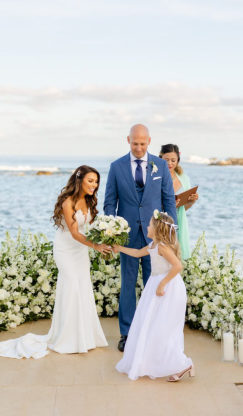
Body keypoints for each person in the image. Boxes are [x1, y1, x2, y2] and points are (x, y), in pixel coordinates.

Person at [0, 166, 109, 358]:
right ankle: (67, 338)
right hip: (65, 250)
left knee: (83, 288)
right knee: (71, 287)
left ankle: (85, 337)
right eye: (90, 181)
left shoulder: (89, 201)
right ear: (79, 180)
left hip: (80, 251)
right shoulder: (67, 201)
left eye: (96, 181)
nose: (94, 185)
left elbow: (93, 228)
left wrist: (108, 236)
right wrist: (95, 246)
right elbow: (74, 232)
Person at [104, 125, 177, 352]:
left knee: (153, 281)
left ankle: (152, 331)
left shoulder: (161, 165)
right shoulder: (116, 167)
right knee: (127, 284)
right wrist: (111, 230)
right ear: (128, 140)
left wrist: (170, 234)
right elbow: (109, 202)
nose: (138, 148)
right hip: (126, 237)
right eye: (134, 143)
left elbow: (168, 201)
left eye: (142, 144)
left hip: (155, 236)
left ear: (149, 141)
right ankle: (127, 334)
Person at [114, 211, 194, 382]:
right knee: (152, 323)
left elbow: (177, 266)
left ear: (157, 229)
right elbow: (136, 253)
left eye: (150, 224)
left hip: (169, 287)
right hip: (156, 285)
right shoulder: (152, 246)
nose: (147, 226)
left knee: (165, 326)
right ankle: (157, 361)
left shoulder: (163, 247)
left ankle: (182, 363)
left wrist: (163, 283)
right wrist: (118, 248)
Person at [160, 144, 199, 260]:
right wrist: (168, 205)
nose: (170, 163)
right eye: (166, 160)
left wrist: (191, 201)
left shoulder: (184, 178)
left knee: (178, 256)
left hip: (180, 220)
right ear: (160, 158)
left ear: (178, 161)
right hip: (162, 221)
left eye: (173, 160)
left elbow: (185, 207)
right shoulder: (156, 177)